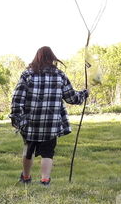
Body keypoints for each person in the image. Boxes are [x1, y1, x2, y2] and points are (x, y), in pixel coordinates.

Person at [10, 46, 89, 186]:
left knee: (28, 150)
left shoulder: (27, 75)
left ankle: (26, 177)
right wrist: (84, 93)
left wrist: (16, 117)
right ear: (52, 58)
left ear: (36, 57)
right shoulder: (60, 75)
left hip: (30, 122)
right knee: (48, 152)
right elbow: (72, 98)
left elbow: (17, 98)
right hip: (51, 123)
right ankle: (45, 180)